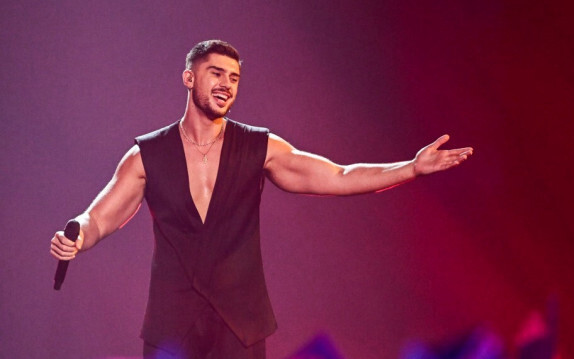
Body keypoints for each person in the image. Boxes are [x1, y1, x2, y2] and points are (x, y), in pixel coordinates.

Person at [50, 40, 473, 359]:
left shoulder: (259, 147)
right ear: (189, 78)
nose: (226, 85)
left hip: (241, 325)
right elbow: (101, 215)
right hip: (172, 329)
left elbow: (338, 175)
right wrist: (78, 236)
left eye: (234, 78)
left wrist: (410, 168)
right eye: (216, 73)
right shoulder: (148, 154)